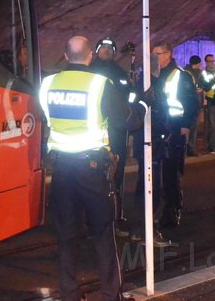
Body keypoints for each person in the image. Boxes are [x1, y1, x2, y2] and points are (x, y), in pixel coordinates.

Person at [39, 35, 143, 301]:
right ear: (90, 56)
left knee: (66, 236)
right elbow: (127, 122)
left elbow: (46, 119)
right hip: (92, 169)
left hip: (61, 170)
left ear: (65, 54)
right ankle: (110, 295)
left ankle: (69, 294)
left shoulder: (48, 84)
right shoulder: (100, 84)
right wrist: (142, 103)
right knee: (103, 233)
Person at [146, 41, 199, 229]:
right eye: (153, 54)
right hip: (155, 128)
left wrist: (186, 125)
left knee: (171, 172)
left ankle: (173, 211)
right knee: (153, 173)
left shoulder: (181, 76)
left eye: (158, 54)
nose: (155, 58)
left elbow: (192, 102)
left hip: (174, 128)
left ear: (168, 54)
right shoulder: (150, 75)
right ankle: (151, 212)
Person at [92, 37, 135, 232]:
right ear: (97, 50)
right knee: (95, 175)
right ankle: (95, 219)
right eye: (104, 48)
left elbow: (130, 96)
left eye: (111, 48)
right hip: (95, 132)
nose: (107, 51)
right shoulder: (90, 70)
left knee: (116, 173)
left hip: (117, 131)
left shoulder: (120, 72)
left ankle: (115, 216)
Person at [185, 55, 204, 156]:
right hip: (191, 104)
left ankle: (190, 148)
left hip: (196, 103)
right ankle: (187, 149)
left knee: (193, 127)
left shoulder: (197, 73)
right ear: (197, 63)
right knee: (189, 127)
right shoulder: (187, 73)